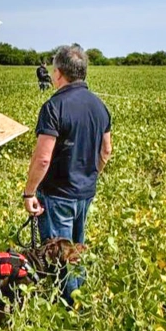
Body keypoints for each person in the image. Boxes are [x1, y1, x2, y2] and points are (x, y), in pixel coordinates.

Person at [22, 45, 112, 307]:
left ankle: (69, 309)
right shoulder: (99, 106)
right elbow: (106, 151)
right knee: (76, 251)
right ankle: (79, 301)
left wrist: (29, 193)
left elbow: (43, 158)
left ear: (58, 73)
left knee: (59, 255)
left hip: (57, 194)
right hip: (85, 192)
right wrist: (90, 176)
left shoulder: (54, 106)